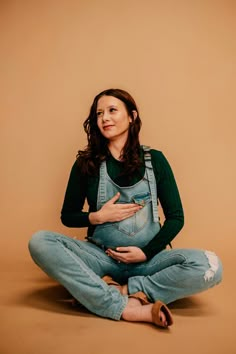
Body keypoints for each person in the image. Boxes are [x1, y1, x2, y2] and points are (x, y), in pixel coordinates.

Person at [29, 88, 222, 328]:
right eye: (99, 113)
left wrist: (146, 252)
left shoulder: (156, 160)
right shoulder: (86, 164)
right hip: (101, 258)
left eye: (112, 111)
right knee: (40, 241)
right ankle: (126, 307)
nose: (104, 118)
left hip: (149, 262)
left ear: (132, 116)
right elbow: (67, 216)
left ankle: (121, 290)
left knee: (211, 265)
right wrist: (98, 217)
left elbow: (176, 217)